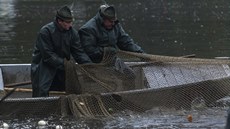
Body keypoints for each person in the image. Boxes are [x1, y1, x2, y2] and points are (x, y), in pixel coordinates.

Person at [78, 4, 144, 90]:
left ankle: (126, 99)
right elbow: (89, 51)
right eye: (110, 21)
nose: (113, 24)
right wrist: (106, 51)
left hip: (111, 60)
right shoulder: (88, 29)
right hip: (93, 64)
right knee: (103, 85)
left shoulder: (115, 25)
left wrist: (141, 53)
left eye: (114, 21)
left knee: (130, 75)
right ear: (102, 19)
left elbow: (126, 42)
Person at [31, 6, 92, 97]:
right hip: (44, 65)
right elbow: (48, 55)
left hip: (63, 65)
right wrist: (64, 63)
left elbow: (79, 53)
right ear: (59, 21)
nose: (70, 25)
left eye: (71, 22)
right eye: (67, 23)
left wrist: (90, 66)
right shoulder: (45, 31)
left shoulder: (72, 33)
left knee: (73, 87)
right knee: (42, 89)